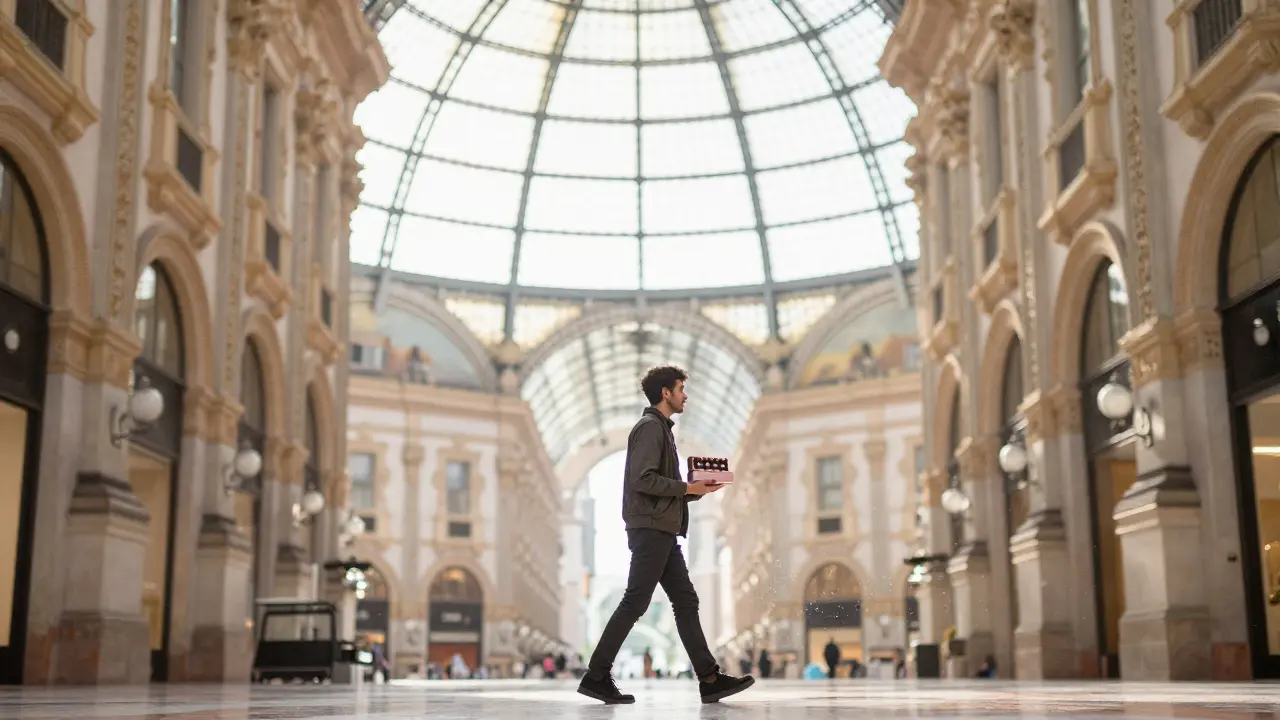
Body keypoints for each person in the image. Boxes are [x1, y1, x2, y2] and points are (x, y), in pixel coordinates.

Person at [577, 366, 755, 706]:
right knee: (636, 602)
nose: (685, 395)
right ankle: (596, 675)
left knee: (685, 600)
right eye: (681, 388)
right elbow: (643, 480)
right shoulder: (649, 428)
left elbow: (660, 488)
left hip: (663, 529)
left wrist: (695, 491)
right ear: (665, 393)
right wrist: (687, 487)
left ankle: (709, 678)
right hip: (652, 530)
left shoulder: (661, 430)